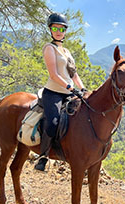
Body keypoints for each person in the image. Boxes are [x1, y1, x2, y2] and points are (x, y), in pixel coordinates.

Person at [35, 13, 86, 171]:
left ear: (65, 31)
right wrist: (71, 88)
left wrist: (82, 88)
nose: (58, 31)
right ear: (50, 30)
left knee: (83, 119)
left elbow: (74, 74)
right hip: (53, 92)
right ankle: (43, 157)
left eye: (61, 28)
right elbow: (53, 75)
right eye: (55, 28)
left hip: (70, 92)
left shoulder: (67, 52)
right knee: (53, 122)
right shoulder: (49, 48)